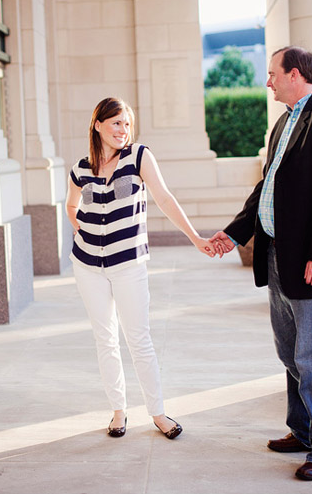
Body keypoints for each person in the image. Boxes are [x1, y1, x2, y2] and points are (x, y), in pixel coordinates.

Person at [211, 47, 312, 480]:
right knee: (289, 351)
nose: (268, 81)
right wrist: (235, 232)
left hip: (311, 261)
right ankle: (302, 429)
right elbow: (267, 189)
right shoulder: (282, 123)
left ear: (294, 74)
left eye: (273, 73)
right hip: (278, 253)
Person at [66, 97, 217, 440]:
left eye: (127, 123)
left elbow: (164, 198)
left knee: (139, 339)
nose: (123, 130)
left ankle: (158, 413)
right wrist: (81, 230)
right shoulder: (80, 168)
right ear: (98, 125)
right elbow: (71, 205)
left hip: (128, 263)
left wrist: (194, 237)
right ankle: (119, 411)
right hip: (87, 265)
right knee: (105, 338)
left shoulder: (139, 157)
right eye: (116, 122)